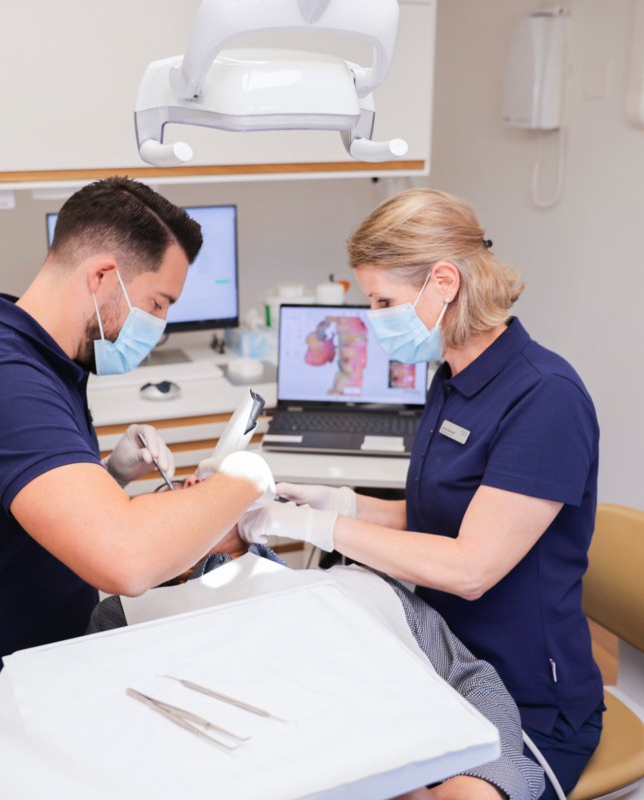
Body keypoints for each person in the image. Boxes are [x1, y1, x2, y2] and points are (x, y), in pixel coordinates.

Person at [239, 188, 602, 798]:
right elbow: (440, 515)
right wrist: (341, 503)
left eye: (383, 300)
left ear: (444, 282)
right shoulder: (453, 377)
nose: (373, 316)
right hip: (441, 654)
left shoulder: (545, 398)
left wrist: (321, 531)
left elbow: (469, 567)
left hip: (527, 695)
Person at [0, 177, 276, 680]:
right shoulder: (3, 382)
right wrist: (247, 476)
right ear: (102, 277)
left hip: (46, 653)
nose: (159, 326)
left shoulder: (46, 359)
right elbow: (128, 561)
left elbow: (30, 510)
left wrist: (110, 475)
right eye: (158, 304)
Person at [87, 502, 545, 800]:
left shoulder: (361, 582)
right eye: (179, 496)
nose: (196, 492)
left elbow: (469, 680)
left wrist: (483, 782)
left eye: (210, 488)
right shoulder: (127, 615)